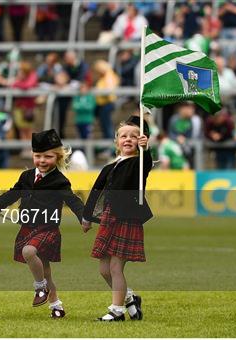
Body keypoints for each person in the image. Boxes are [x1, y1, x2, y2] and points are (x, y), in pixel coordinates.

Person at [0, 129, 84, 318]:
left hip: (47, 229)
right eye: (37, 156)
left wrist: (83, 218)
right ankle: (56, 305)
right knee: (46, 271)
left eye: (47, 156)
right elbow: (13, 194)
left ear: (57, 157)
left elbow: (73, 201)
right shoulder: (26, 177)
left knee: (28, 252)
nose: (41, 160)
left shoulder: (60, 181)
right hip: (28, 228)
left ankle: (40, 288)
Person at [82, 116, 152, 322]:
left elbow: (146, 163)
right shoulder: (109, 167)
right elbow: (95, 192)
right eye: (124, 136)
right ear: (116, 141)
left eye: (134, 136)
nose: (128, 139)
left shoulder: (137, 164)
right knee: (104, 270)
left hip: (127, 219)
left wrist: (145, 150)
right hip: (109, 219)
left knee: (115, 268)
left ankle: (116, 311)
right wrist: (87, 217)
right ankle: (129, 297)